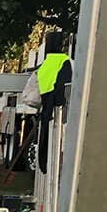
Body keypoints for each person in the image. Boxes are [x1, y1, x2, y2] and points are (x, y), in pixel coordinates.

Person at [34, 31, 72, 175]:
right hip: (57, 105)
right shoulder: (64, 60)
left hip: (45, 103)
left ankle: (43, 164)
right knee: (56, 141)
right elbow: (65, 84)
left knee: (45, 136)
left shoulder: (45, 64)